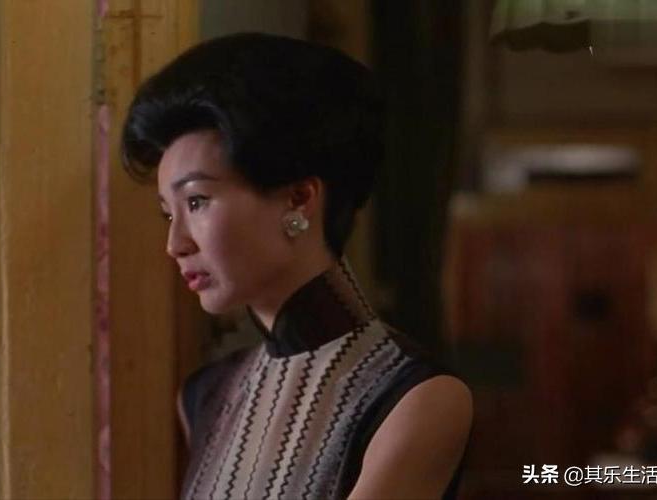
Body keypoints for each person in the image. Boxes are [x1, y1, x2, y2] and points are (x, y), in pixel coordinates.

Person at [121, 32, 472, 500]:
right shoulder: (206, 395)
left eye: (198, 201)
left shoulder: (413, 396)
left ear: (299, 198)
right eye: (169, 213)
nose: (175, 244)